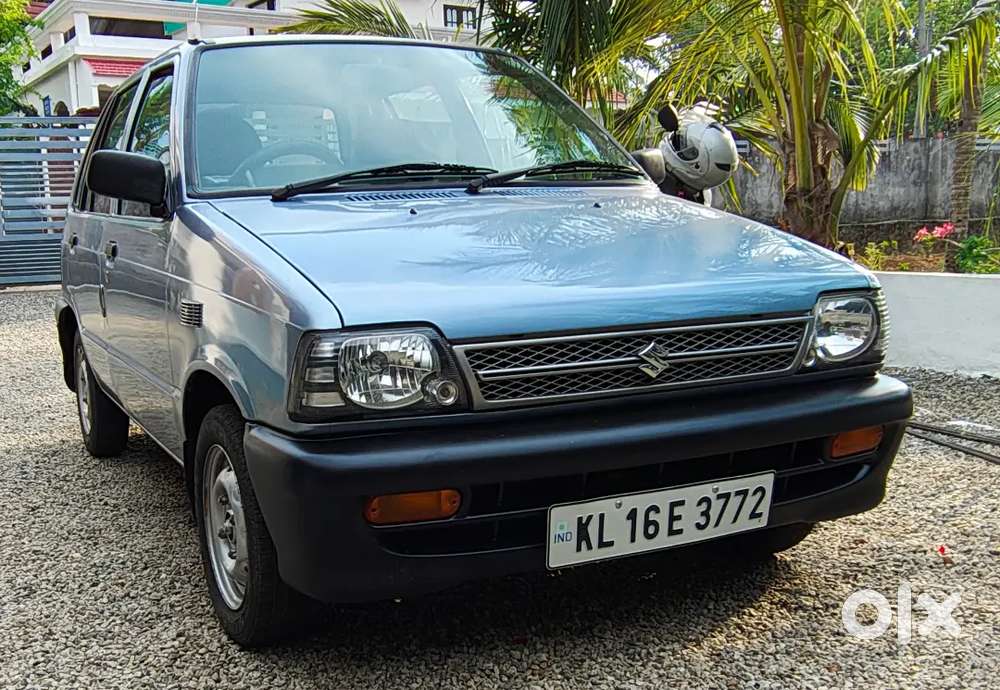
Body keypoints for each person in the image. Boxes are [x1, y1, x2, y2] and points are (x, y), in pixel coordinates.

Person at [657, 103, 739, 205]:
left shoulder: (657, 185)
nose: (680, 142)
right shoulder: (702, 197)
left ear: (697, 166)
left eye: (690, 150)